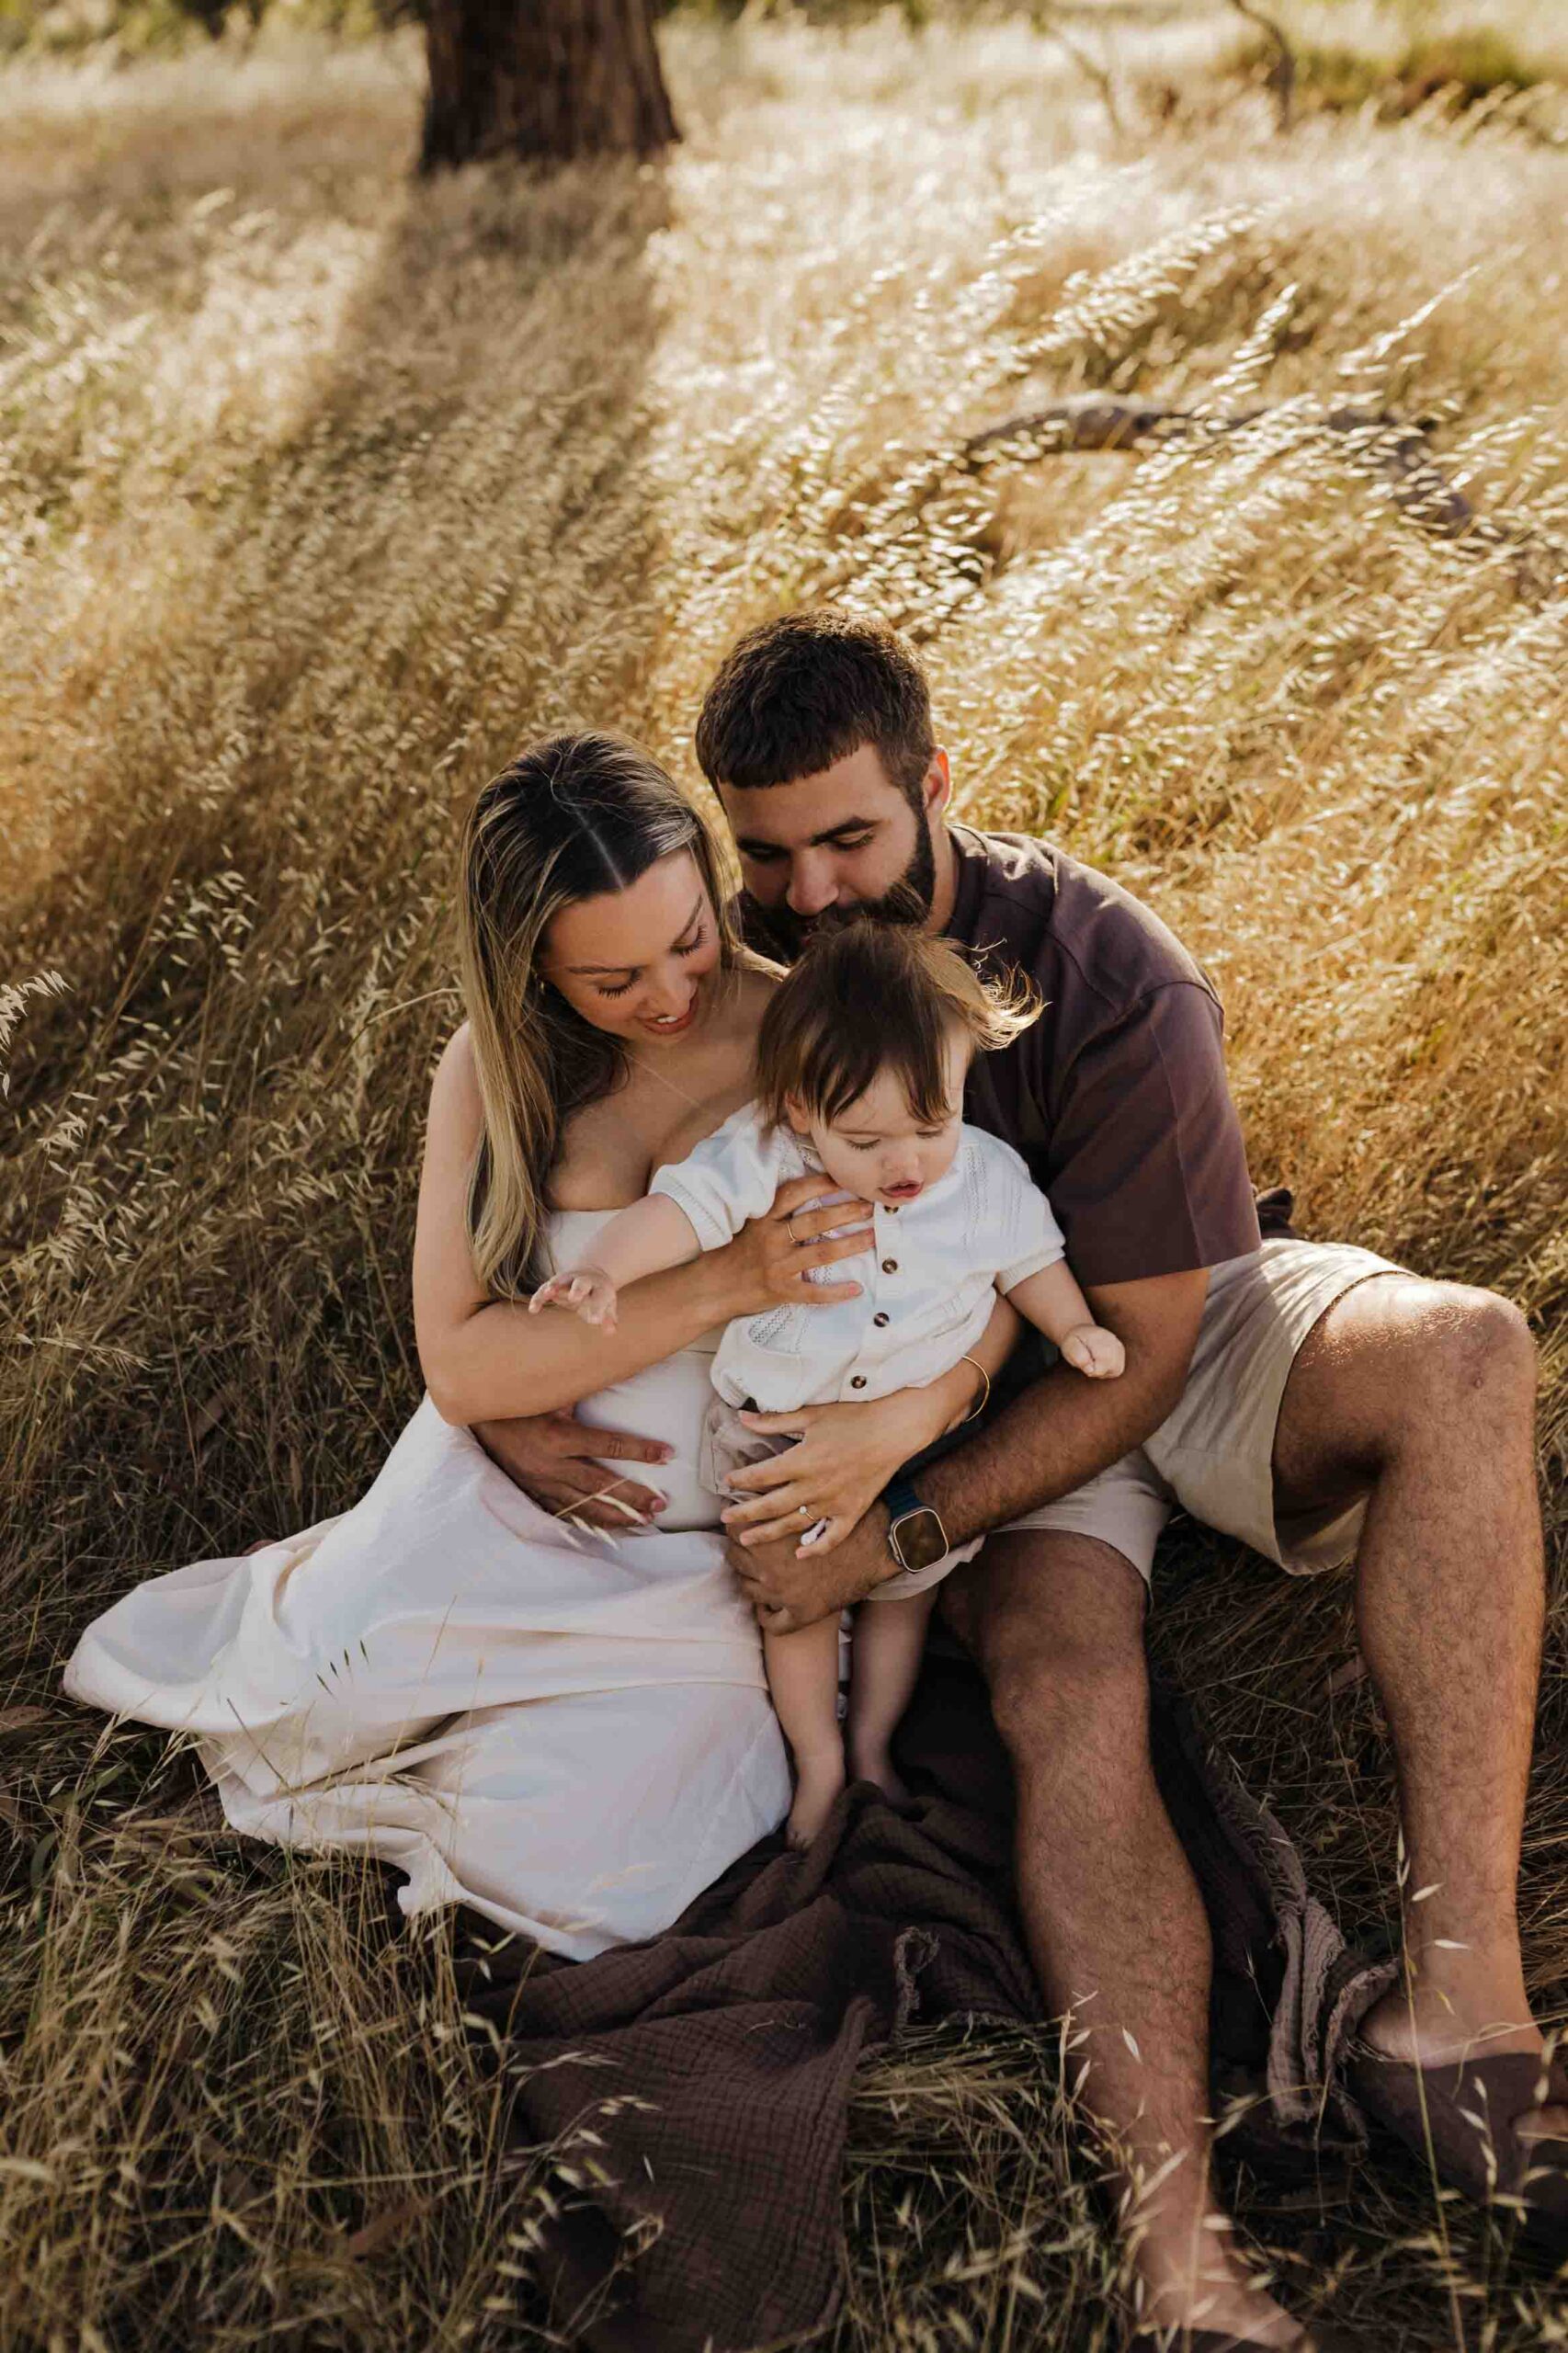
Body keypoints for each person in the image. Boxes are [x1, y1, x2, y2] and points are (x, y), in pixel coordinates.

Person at [476, 614, 1560, 2351]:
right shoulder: (740, 967)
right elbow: (600, 1173)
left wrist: (903, 1509)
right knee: (1065, 1685)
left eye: (851, 840)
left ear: (934, 789)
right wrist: (529, 1396)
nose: (813, 895)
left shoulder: (1107, 970)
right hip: (919, 1406)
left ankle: (1460, 2020)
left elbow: (1129, 1350)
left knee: (1468, 1350)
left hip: (1144, 1329)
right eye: (768, 855)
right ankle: (1181, 2267)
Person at [61, 732, 1020, 1959]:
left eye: (686, 939)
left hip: (704, 1552)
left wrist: (916, 1414)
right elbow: (458, 1365)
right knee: (322, 1695)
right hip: (501, 1487)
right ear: (530, 967)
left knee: (599, 1868)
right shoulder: (495, 1066)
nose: (668, 995)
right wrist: (723, 1281)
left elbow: (982, 1259)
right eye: (609, 980)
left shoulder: (817, 1035)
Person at [533, 917, 1125, 1847]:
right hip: (778, 1432)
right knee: (797, 1603)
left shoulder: (979, 1175)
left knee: (899, 1590)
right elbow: (678, 1212)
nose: (906, 1164)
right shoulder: (765, 1151)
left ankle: (874, 1747)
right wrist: (605, 1266)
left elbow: (1029, 1260)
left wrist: (1074, 1325)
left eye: (931, 1126)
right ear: (802, 1110)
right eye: (867, 1139)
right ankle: (816, 1762)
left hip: (915, 1440)